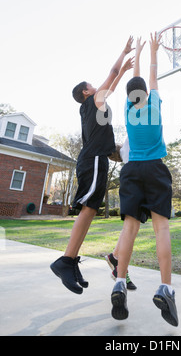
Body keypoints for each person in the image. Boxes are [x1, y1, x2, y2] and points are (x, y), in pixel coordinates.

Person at [50, 37, 135, 294]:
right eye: (92, 86)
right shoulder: (92, 102)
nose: (97, 87)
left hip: (93, 160)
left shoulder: (92, 108)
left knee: (90, 210)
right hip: (93, 162)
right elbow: (111, 74)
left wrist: (122, 73)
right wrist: (123, 53)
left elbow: (112, 84)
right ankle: (65, 260)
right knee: (88, 210)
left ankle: (71, 261)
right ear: (87, 92)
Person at [110, 34, 179, 327]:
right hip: (154, 168)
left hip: (132, 169)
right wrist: (152, 51)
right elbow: (151, 77)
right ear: (146, 94)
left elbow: (136, 80)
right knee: (161, 227)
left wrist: (136, 53)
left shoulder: (127, 109)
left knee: (130, 228)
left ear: (128, 96)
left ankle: (120, 283)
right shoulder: (154, 106)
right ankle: (165, 289)